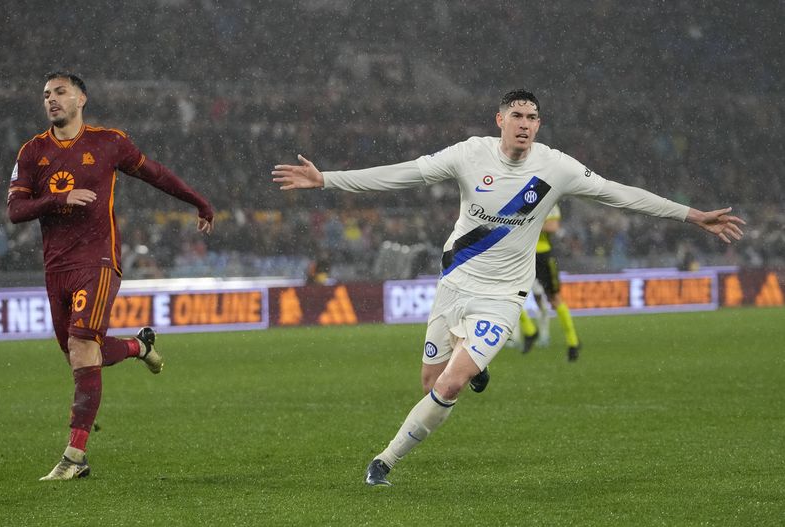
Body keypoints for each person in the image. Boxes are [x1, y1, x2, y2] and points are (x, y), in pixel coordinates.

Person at [271, 89, 745, 486]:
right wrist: (327, 180)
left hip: (503, 297)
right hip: (455, 284)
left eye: (532, 117)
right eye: (516, 116)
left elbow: (621, 194)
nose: (524, 124)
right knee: (429, 384)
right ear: (500, 120)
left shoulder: (556, 168)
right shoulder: (467, 155)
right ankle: (469, 358)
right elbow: (402, 175)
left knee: (451, 385)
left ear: (539, 125)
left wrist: (691, 215)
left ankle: (384, 461)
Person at [7, 72, 215, 481]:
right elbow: (15, 212)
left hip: (98, 260)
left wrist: (199, 201)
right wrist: (59, 198)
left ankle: (74, 457)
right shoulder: (32, 153)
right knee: (79, 354)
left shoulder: (109, 143)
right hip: (56, 267)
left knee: (84, 348)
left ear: (81, 98)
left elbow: (155, 173)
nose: (52, 100)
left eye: (60, 92)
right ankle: (139, 346)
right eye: (46, 94)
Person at [513, 203, 581, 361]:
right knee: (509, 295)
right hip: (523, 255)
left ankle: (573, 343)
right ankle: (530, 331)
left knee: (554, 299)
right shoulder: (520, 200)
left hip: (543, 256)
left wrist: (527, 221)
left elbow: (553, 226)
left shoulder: (549, 202)